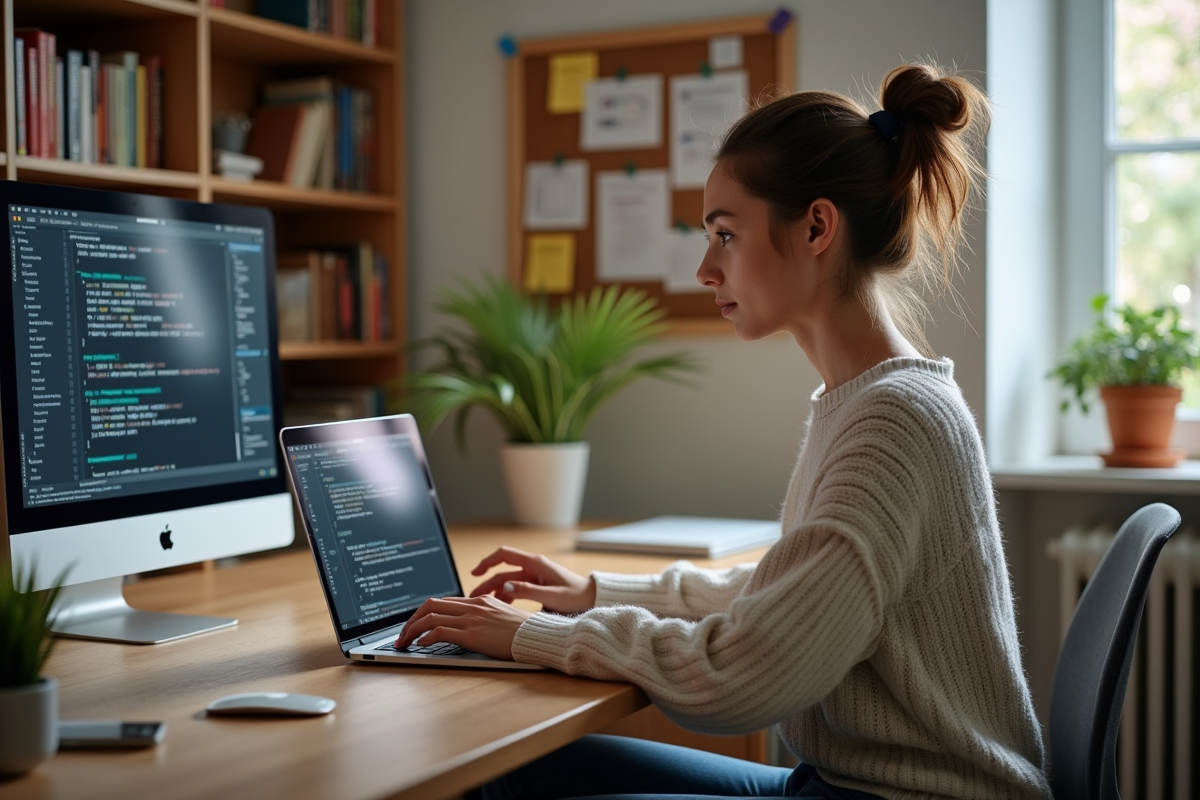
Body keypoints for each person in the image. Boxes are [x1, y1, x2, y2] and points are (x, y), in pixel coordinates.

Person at [397, 62, 1051, 800]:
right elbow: (787, 597)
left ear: (815, 227)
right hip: (839, 783)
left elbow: (742, 677)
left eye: (725, 234)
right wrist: (593, 591)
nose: (706, 268)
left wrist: (527, 635)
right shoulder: (865, 400)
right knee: (516, 775)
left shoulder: (892, 424)